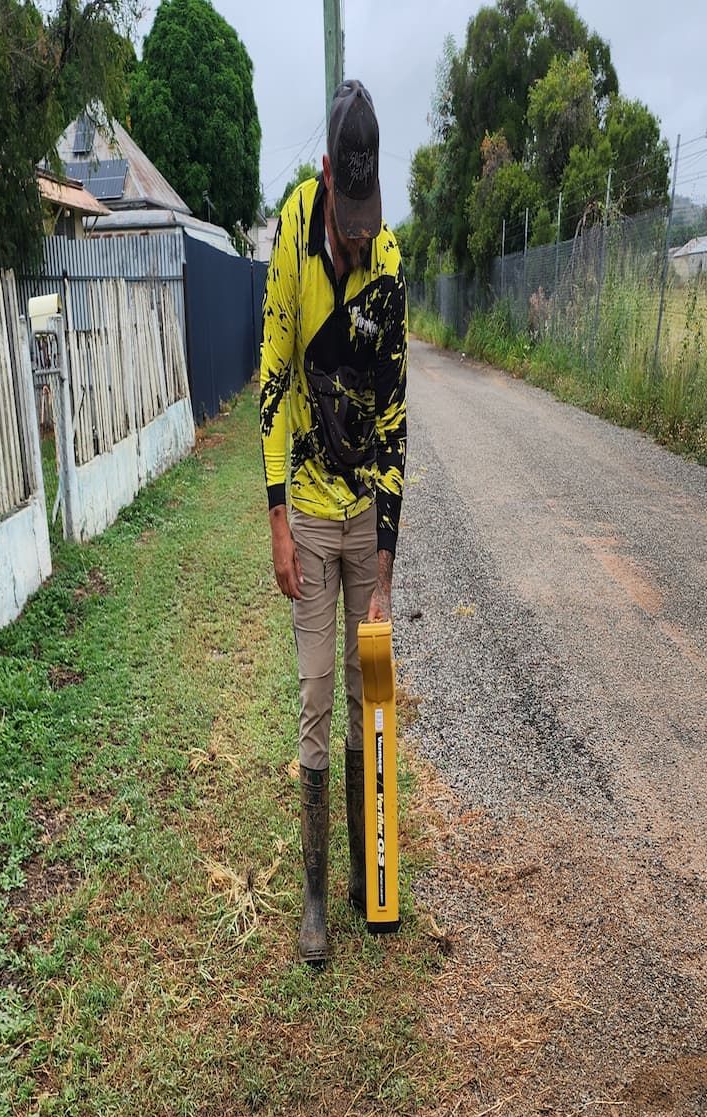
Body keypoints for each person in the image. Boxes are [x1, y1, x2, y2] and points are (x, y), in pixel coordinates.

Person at [260, 78, 408, 966]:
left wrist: (386, 570)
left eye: (368, 219)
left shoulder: (389, 259)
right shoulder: (290, 231)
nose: (356, 239)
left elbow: (394, 415)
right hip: (310, 516)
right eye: (347, 221)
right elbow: (275, 375)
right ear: (326, 177)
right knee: (318, 694)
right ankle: (316, 899)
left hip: (364, 520)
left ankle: (368, 880)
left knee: (369, 699)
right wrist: (278, 518)